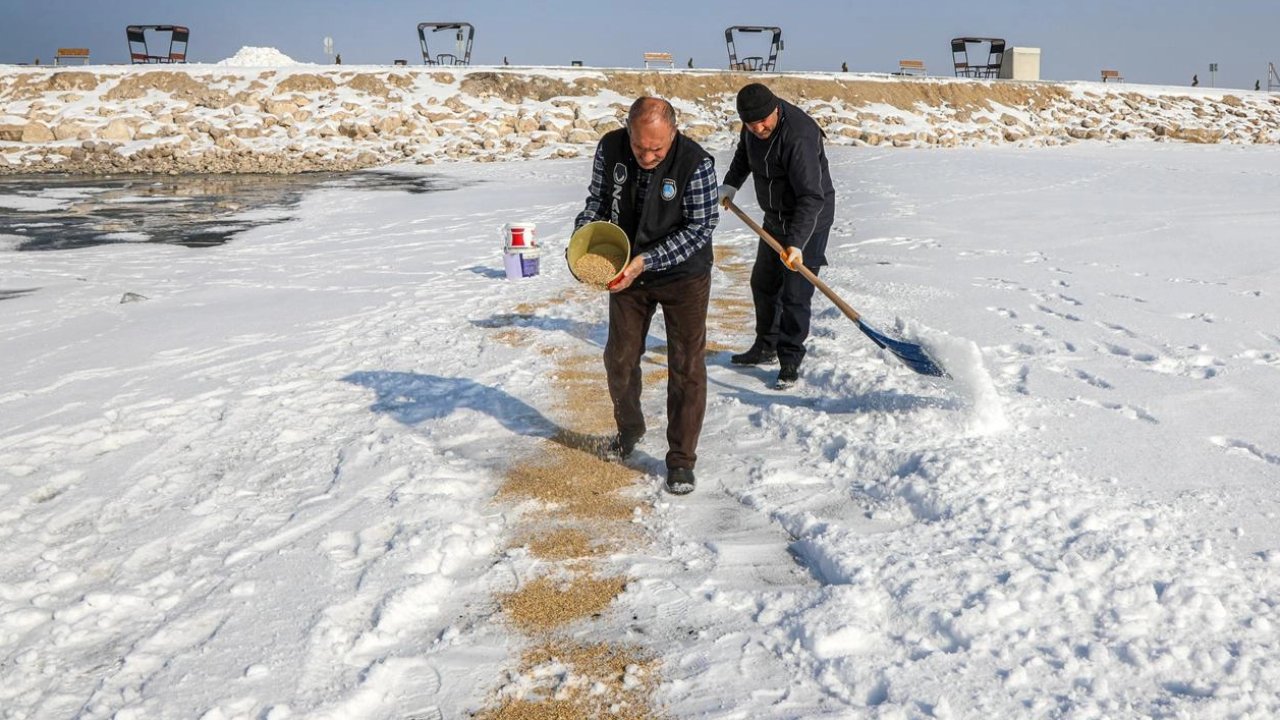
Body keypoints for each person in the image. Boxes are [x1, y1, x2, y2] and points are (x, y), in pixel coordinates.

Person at [573, 97, 718, 495]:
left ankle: (681, 460)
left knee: (686, 365)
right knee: (619, 357)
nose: (648, 155)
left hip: (683, 275)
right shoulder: (610, 148)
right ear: (628, 131)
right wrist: (585, 238)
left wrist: (647, 260)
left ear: (673, 132)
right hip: (626, 271)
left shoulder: (696, 163)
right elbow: (598, 202)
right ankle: (629, 429)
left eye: (658, 148)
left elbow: (700, 227)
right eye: (640, 147)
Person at [718, 83, 835, 389]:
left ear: (776, 109)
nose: (759, 128)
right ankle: (766, 345)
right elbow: (744, 155)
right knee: (764, 281)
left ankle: (790, 360)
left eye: (763, 122)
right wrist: (731, 184)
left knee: (795, 293)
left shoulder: (799, 135)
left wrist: (796, 243)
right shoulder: (752, 129)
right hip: (775, 217)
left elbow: (811, 197)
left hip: (809, 218)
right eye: (751, 124)